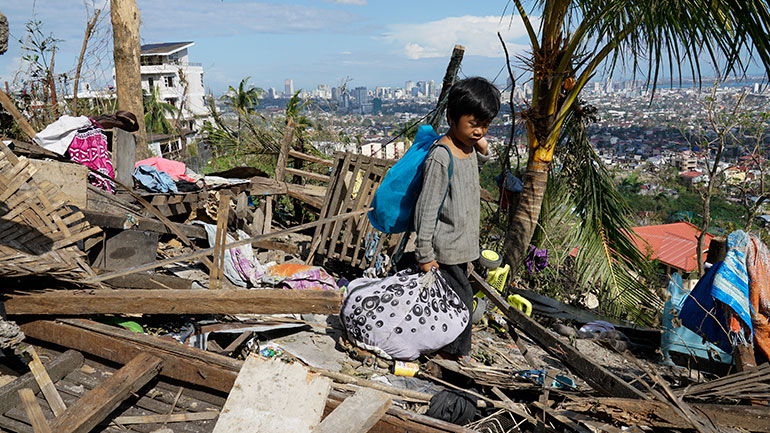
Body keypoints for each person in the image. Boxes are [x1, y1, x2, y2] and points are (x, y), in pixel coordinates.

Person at [413, 76, 500, 364]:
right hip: (444, 249)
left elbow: (469, 174)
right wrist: (424, 254)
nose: (480, 131)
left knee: (449, 302)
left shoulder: (467, 148)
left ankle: (446, 349)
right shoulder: (441, 156)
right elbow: (427, 208)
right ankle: (453, 354)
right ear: (452, 117)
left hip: (462, 247)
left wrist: (483, 152)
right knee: (460, 299)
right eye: (474, 123)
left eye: (485, 125)